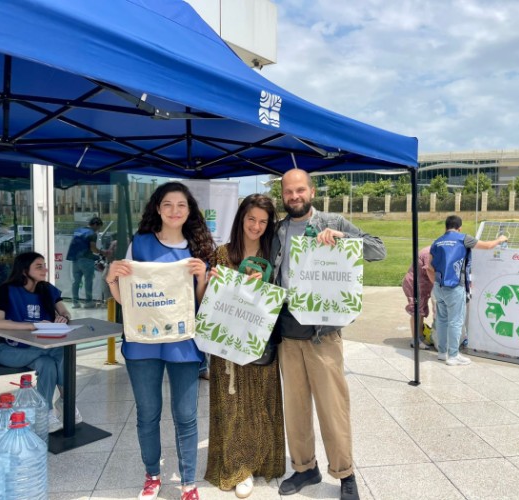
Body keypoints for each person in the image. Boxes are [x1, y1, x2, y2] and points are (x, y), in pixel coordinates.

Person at [271, 169, 386, 500]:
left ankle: (344, 472)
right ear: (283, 194)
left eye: (300, 190)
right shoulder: (277, 230)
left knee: (332, 407)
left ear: (312, 190)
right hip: (289, 333)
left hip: (323, 334)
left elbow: (378, 250)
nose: (295, 196)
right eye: (289, 192)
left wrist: (344, 238)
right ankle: (305, 468)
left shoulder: (331, 221)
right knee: (295, 408)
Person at [105, 182, 214, 500]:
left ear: (190, 210)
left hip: (183, 342)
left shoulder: (198, 249)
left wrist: (202, 278)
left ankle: (188, 482)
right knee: (147, 412)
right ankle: (152, 475)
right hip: (143, 342)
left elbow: (199, 304)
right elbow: (128, 298)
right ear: (157, 208)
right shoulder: (138, 244)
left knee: (186, 415)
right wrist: (112, 278)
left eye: (182, 205)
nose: (175, 210)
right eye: (168, 204)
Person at [204, 193, 285, 498]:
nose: (256, 226)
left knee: (262, 402)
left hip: (260, 344)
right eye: (251, 219)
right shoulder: (222, 254)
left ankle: (263, 462)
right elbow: (210, 301)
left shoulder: (273, 254)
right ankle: (240, 468)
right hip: (228, 345)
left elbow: (280, 297)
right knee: (233, 405)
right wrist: (215, 282)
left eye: (263, 221)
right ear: (241, 219)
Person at [0, 251, 81, 432]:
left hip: (40, 349)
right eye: (39, 266)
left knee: (47, 364)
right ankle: (67, 402)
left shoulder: (47, 289)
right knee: (60, 353)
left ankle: (45, 412)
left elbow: (65, 312)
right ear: (23, 270)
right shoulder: (6, 291)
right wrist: (31, 325)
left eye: (44, 265)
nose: (45, 269)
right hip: (8, 350)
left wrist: (63, 318)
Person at [427, 215, 507, 366]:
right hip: (455, 287)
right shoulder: (463, 238)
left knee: (442, 320)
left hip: (439, 287)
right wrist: (500, 239)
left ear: (445, 227)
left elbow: (429, 268)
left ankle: (442, 353)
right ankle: (453, 355)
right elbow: (488, 246)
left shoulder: (436, 242)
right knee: (456, 321)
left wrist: (437, 283)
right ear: (460, 227)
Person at [67, 216, 105, 308]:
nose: (98, 230)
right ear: (95, 224)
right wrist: (102, 252)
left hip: (75, 260)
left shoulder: (78, 230)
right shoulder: (92, 233)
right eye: (99, 227)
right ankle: (88, 302)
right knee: (88, 281)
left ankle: (75, 302)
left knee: (76, 282)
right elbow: (93, 248)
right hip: (86, 260)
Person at [402, 245, 433, 350]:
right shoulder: (429, 253)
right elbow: (429, 269)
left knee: (421, 311)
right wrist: (437, 283)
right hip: (414, 285)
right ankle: (415, 340)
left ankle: (419, 336)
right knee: (417, 311)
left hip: (420, 285)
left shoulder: (432, 250)